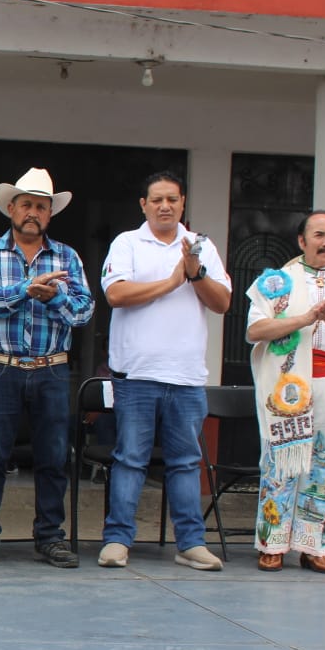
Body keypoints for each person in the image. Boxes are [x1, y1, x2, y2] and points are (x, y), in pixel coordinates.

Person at [97, 171, 231, 571]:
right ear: (144, 205)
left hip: (186, 377)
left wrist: (195, 272)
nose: (165, 206)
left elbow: (222, 303)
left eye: (172, 199)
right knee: (130, 459)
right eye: (157, 199)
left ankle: (190, 543)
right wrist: (172, 281)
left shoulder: (200, 246)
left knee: (186, 462)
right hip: (137, 374)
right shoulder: (127, 243)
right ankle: (118, 540)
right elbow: (116, 294)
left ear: (183, 202)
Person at [0, 167, 92, 569]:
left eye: (41, 206)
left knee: (53, 457)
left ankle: (50, 537)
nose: (33, 212)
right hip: (3, 367)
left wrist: (53, 298)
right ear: (11, 209)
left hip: (52, 369)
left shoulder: (67, 257)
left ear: (50, 214)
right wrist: (25, 291)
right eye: (26, 205)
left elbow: (84, 311)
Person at [246, 211, 325, 574]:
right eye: (319, 235)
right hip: (287, 382)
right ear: (302, 241)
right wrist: (305, 319)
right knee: (281, 461)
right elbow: (255, 330)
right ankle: (272, 542)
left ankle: (313, 545)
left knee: (322, 463)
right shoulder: (278, 282)